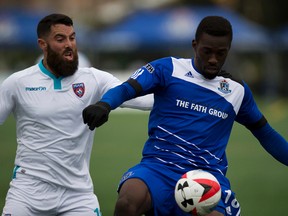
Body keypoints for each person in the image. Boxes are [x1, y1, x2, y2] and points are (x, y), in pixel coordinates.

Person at [82, 16, 288, 216]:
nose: (213, 59)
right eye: (207, 51)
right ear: (194, 44)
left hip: (207, 176)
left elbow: (266, 133)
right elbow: (128, 89)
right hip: (159, 167)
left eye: (221, 53)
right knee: (129, 201)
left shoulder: (237, 90)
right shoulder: (168, 69)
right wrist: (104, 105)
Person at [0, 13, 153, 216]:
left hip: (77, 196)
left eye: (72, 38)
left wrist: (186, 94)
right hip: (26, 193)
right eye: (60, 39)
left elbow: (141, 99)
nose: (69, 45)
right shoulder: (17, 83)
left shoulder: (94, 79)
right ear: (42, 44)